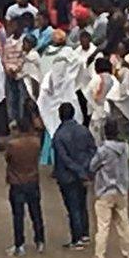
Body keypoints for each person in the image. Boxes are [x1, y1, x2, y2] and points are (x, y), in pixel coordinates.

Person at [86, 119, 129, 258]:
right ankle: (128, 255)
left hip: (105, 190)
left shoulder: (103, 150)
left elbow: (92, 166)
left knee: (103, 227)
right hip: (121, 189)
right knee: (123, 224)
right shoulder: (125, 147)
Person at [52, 103, 96, 248]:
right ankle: (84, 234)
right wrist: (85, 170)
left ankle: (76, 238)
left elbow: (64, 159)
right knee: (82, 204)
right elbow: (92, 150)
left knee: (73, 207)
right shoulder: (84, 130)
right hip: (82, 174)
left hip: (67, 176)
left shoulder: (59, 135)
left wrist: (77, 169)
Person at [5, 114, 45, 256]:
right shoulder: (36, 142)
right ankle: (40, 241)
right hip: (33, 180)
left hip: (17, 182)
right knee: (36, 212)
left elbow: (8, 159)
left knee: (18, 215)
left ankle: (19, 245)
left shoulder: (12, 145)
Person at [85, 58, 116, 146]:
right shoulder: (111, 79)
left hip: (97, 111)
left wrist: (94, 107)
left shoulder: (97, 78)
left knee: (96, 139)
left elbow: (87, 93)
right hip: (107, 110)